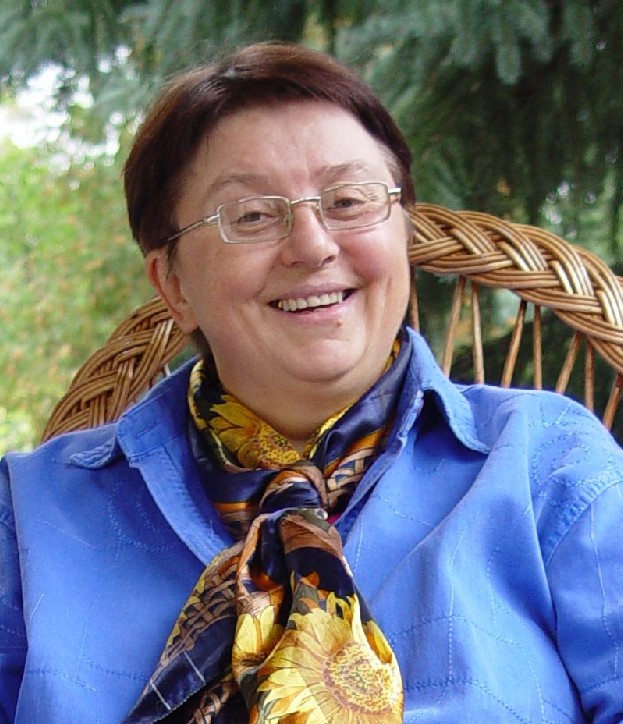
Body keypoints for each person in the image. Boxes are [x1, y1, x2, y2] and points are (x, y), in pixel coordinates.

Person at [1, 41, 622, 724]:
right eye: (251, 216)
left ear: (402, 233)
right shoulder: (27, 518)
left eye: (349, 200)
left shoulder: (548, 466)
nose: (313, 245)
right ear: (173, 284)